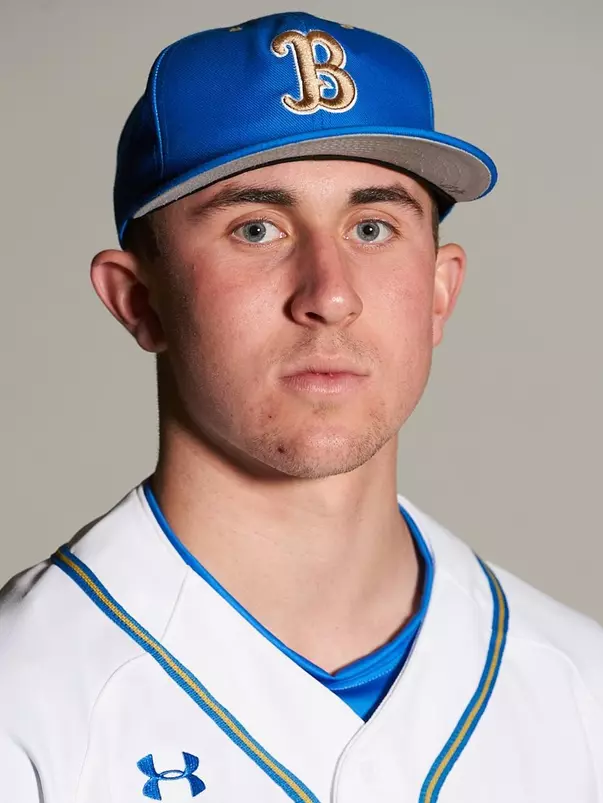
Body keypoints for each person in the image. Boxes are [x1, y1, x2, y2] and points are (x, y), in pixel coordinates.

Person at [1, 10, 602, 802]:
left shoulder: (580, 687)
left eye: (373, 225)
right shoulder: (25, 697)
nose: (330, 293)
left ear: (438, 290)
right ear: (138, 300)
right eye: (256, 228)